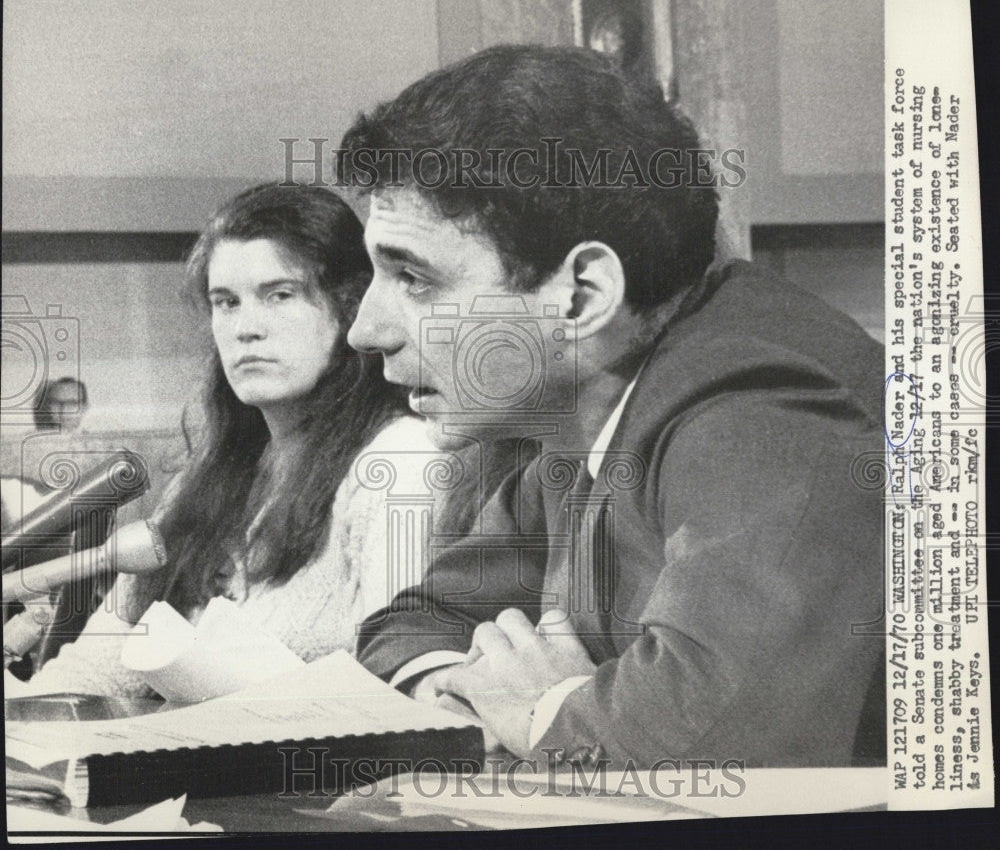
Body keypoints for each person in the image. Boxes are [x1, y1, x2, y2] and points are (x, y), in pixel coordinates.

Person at [343, 45, 885, 768]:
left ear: (581, 296)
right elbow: (415, 620)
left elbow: (721, 744)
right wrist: (456, 685)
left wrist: (540, 711)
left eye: (412, 276)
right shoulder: (582, 423)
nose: (363, 330)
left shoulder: (765, 404)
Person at [25, 183, 438, 698]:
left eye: (279, 295)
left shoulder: (399, 461)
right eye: (226, 303)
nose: (246, 329)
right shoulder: (206, 483)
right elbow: (90, 673)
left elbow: (402, 698)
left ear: (348, 310)